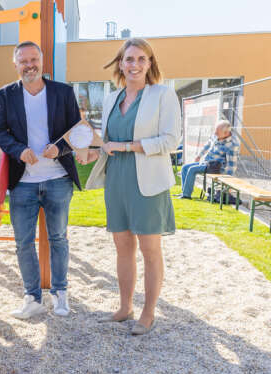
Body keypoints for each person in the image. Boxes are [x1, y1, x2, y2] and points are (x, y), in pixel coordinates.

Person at [83, 38, 181, 336]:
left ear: (150, 63)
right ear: (120, 64)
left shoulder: (163, 95)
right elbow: (107, 142)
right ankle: (125, 307)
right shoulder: (112, 98)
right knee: (122, 247)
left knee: (150, 249)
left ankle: (148, 313)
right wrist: (94, 151)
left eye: (141, 59)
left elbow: (170, 141)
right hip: (117, 180)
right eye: (129, 59)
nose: (135, 65)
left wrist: (126, 146)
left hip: (148, 181)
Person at [0, 41, 82, 319]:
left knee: (58, 238)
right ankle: (32, 297)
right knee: (22, 242)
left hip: (58, 178)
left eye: (34, 60)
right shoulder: (6, 95)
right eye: (23, 61)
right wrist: (19, 151)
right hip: (23, 182)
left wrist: (61, 148)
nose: (29, 65)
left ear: (41, 62)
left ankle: (60, 294)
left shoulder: (63, 92)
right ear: (16, 64)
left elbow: (77, 131)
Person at [178, 120, 239, 199]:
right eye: (215, 131)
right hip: (206, 162)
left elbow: (232, 165)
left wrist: (226, 181)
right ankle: (184, 192)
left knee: (192, 169)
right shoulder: (216, 135)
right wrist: (199, 156)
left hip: (215, 167)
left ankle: (186, 195)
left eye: (217, 132)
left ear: (226, 133)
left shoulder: (233, 144)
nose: (215, 133)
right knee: (185, 167)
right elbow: (207, 145)